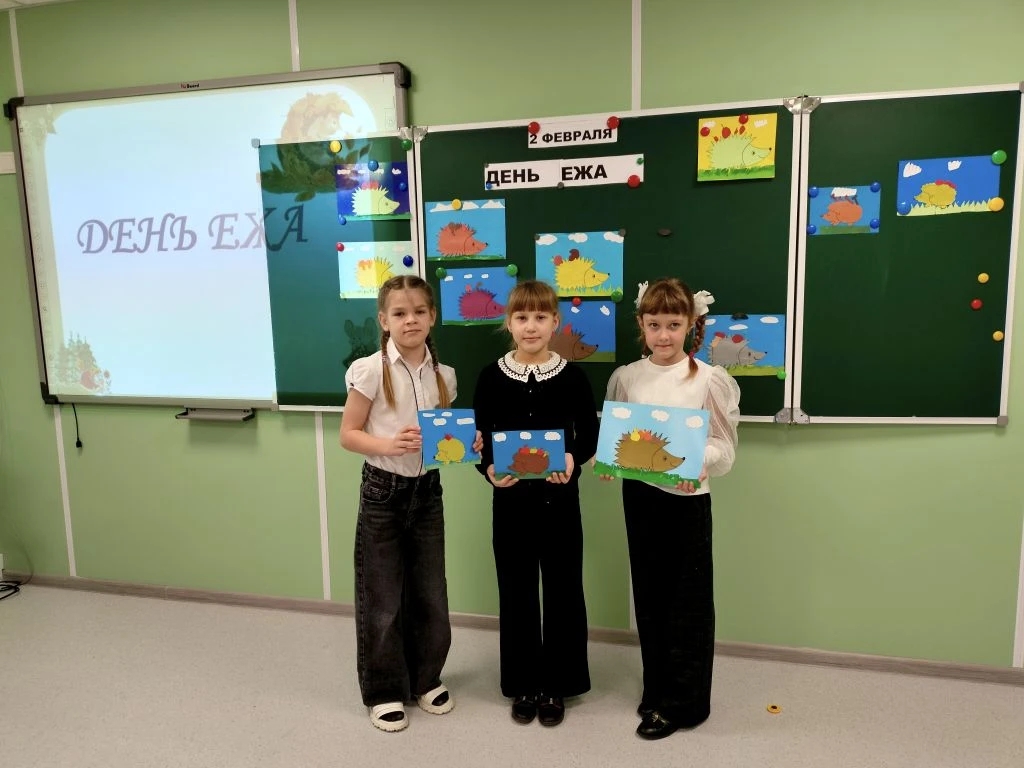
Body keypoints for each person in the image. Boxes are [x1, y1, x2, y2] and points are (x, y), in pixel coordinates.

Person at [603, 277, 741, 740]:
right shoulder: (627, 377)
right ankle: (657, 688)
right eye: (654, 324)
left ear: (690, 325)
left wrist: (696, 461)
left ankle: (685, 702)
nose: (663, 335)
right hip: (640, 498)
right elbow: (619, 437)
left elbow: (724, 446)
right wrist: (611, 463)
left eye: (673, 325)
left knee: (689, 602)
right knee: (649, 595)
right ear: (641, 325)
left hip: (686, 501)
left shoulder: (708, 379)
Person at [340, 274, 478, 733]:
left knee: (430, 592)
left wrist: (468, 443)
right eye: (399, 313)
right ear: (384, 320)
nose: (410, 320)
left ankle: (426, 678)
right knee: (381, 597)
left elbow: (444, 439)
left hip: (427, 493)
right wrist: (387, 444)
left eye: (419, 311)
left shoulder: (445, 376)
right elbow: (348, 435)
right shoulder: (368, 371)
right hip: (383, 491)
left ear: (432, 316)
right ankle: (384, 690)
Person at [472, 279, 600, 727]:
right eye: (522, 317)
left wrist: (572, 458)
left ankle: (558, 684)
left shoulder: (573, 377)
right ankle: (523, 682)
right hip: (510, 503)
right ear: (509, 323)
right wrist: (488, 468)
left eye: (540, 317)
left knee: (564, 589)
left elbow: (588, 434)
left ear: (555, 323)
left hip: (560, 501)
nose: (531, 326)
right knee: (517, 590)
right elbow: (479, 439)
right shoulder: (490, 377)